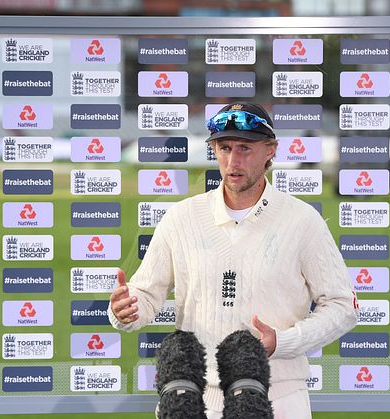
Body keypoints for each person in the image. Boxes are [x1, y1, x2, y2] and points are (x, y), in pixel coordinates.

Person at [108, 102, 358, 419]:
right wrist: (126, 310)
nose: (233, 160)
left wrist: (282, 341)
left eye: (245, 148)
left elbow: (342, 305)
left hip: (279, 395)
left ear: (271, 151)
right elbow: (144, 294)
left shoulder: (302, 221)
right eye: (224, 147)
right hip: (194, 400)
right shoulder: (181, 217)